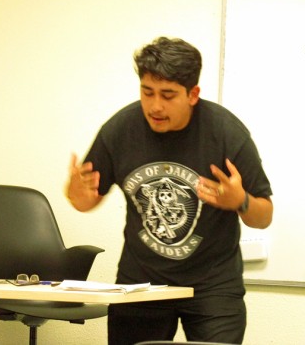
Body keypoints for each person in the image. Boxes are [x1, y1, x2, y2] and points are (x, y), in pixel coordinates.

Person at [65, 36, 273, 345]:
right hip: (141, 283)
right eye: (147, 93)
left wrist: (239, 200)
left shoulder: (227, 134)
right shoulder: (121, 130)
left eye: (168, 95)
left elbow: (263, 215)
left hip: (213, 285)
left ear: (193, 94)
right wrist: (76, 194)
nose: (155, 106)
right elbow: (85, 200)